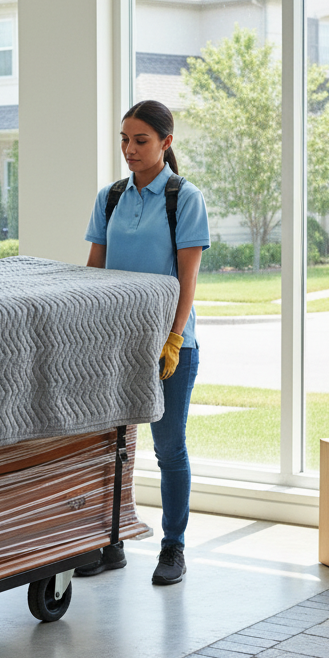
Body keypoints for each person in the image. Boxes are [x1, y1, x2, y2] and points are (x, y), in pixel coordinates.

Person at [78, 100, 210, 585]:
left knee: (168, 447)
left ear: (166, 142)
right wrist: (83, 329)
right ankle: (109, 541)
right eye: (124, 140)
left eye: (141, 140)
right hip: (115, 344)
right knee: (110, 445)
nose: (129, 149)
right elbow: (94, 271)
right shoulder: (111, 196)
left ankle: (173, 546)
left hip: (169, 345)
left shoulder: (184, 198)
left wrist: (173, 338)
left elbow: (187, 279)